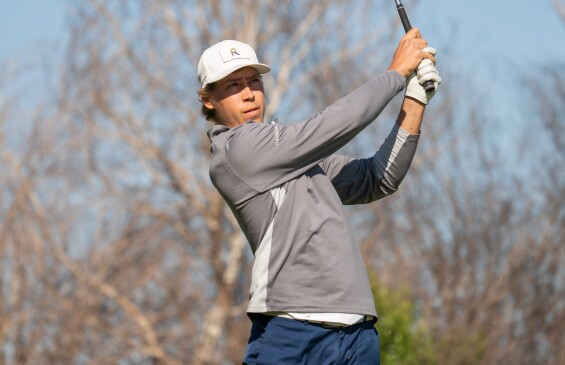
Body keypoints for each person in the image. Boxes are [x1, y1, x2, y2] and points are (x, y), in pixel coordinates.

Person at [197, 29, 441, 364]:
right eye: (233, 86)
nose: (249, 93)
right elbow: (331, 125)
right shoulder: (236, 150)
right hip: (292, 330)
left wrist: (415, 99)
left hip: (357, 331)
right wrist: (396, 73)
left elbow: (378, 178)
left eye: (254, 82)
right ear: (209, 99)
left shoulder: (291, 153)